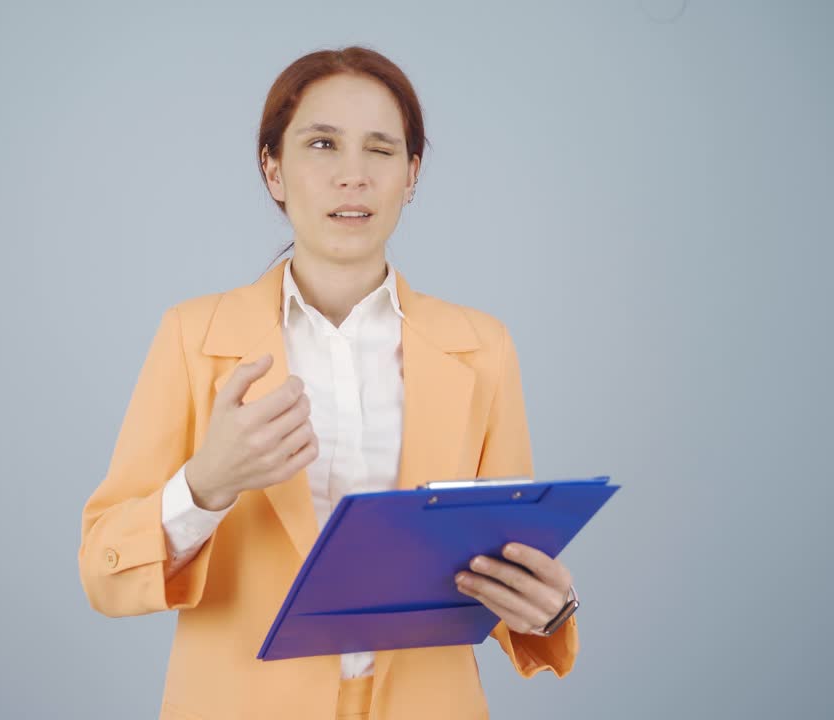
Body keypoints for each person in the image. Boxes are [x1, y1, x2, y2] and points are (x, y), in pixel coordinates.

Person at [79, 46, 580, 720]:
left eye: (380, 149)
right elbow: (104, 572)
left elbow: (498, 567)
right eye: (322, 144)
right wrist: (207, 485)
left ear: (411, 174)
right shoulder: (192, 338)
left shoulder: (481, 349)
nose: (353, 176)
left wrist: (547, 609)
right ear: (274, 169)